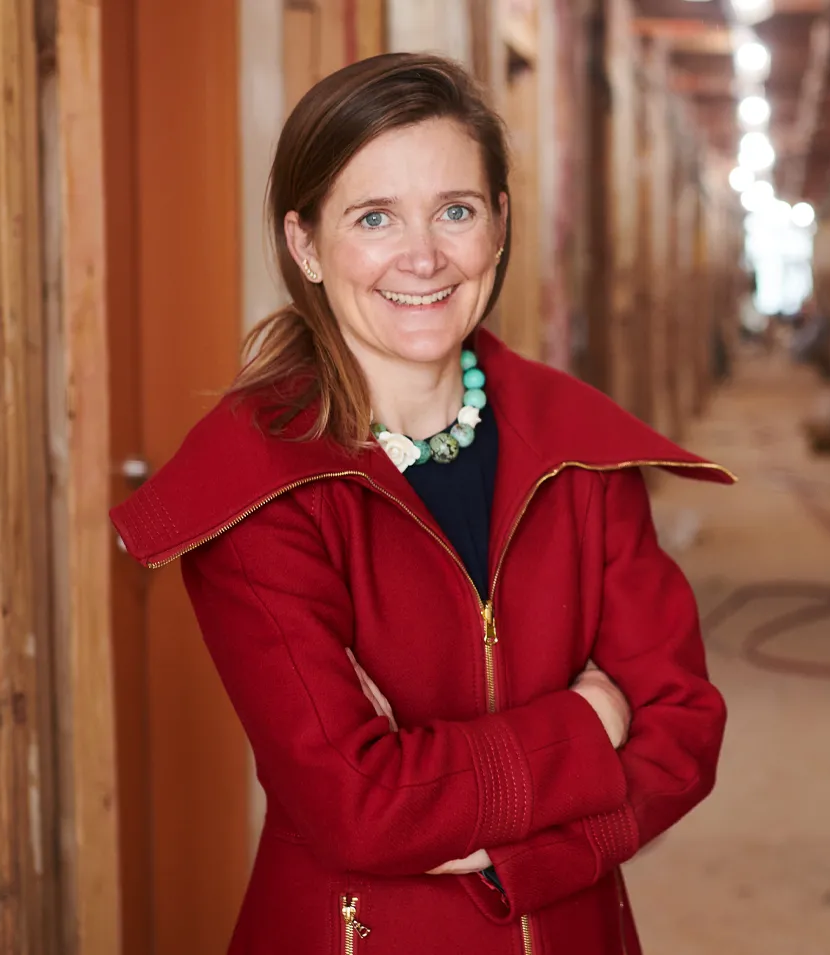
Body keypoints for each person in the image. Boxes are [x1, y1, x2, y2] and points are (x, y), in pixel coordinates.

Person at [110, 53, 732, 954]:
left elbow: (683, 730)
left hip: (577, 923)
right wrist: (590, 723)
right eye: (374, 218)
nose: (424, 256)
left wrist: (514, 860)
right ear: (306, 245)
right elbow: (359, 806)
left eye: (456, 210)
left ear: (499, 225)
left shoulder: (581, 450)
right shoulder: (256, 482)